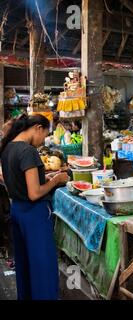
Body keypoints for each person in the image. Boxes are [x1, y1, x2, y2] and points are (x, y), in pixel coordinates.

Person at [0, 114, 69, 300]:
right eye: (45, 135)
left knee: (25, 265)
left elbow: (15, 181)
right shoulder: (28, 151)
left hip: (17, 212)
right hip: (34, 214)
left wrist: (42, 178)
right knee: (43, 267)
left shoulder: (7, 148)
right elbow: (35, 193)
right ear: (38, 128)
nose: (42, 141)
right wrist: (56, 180)